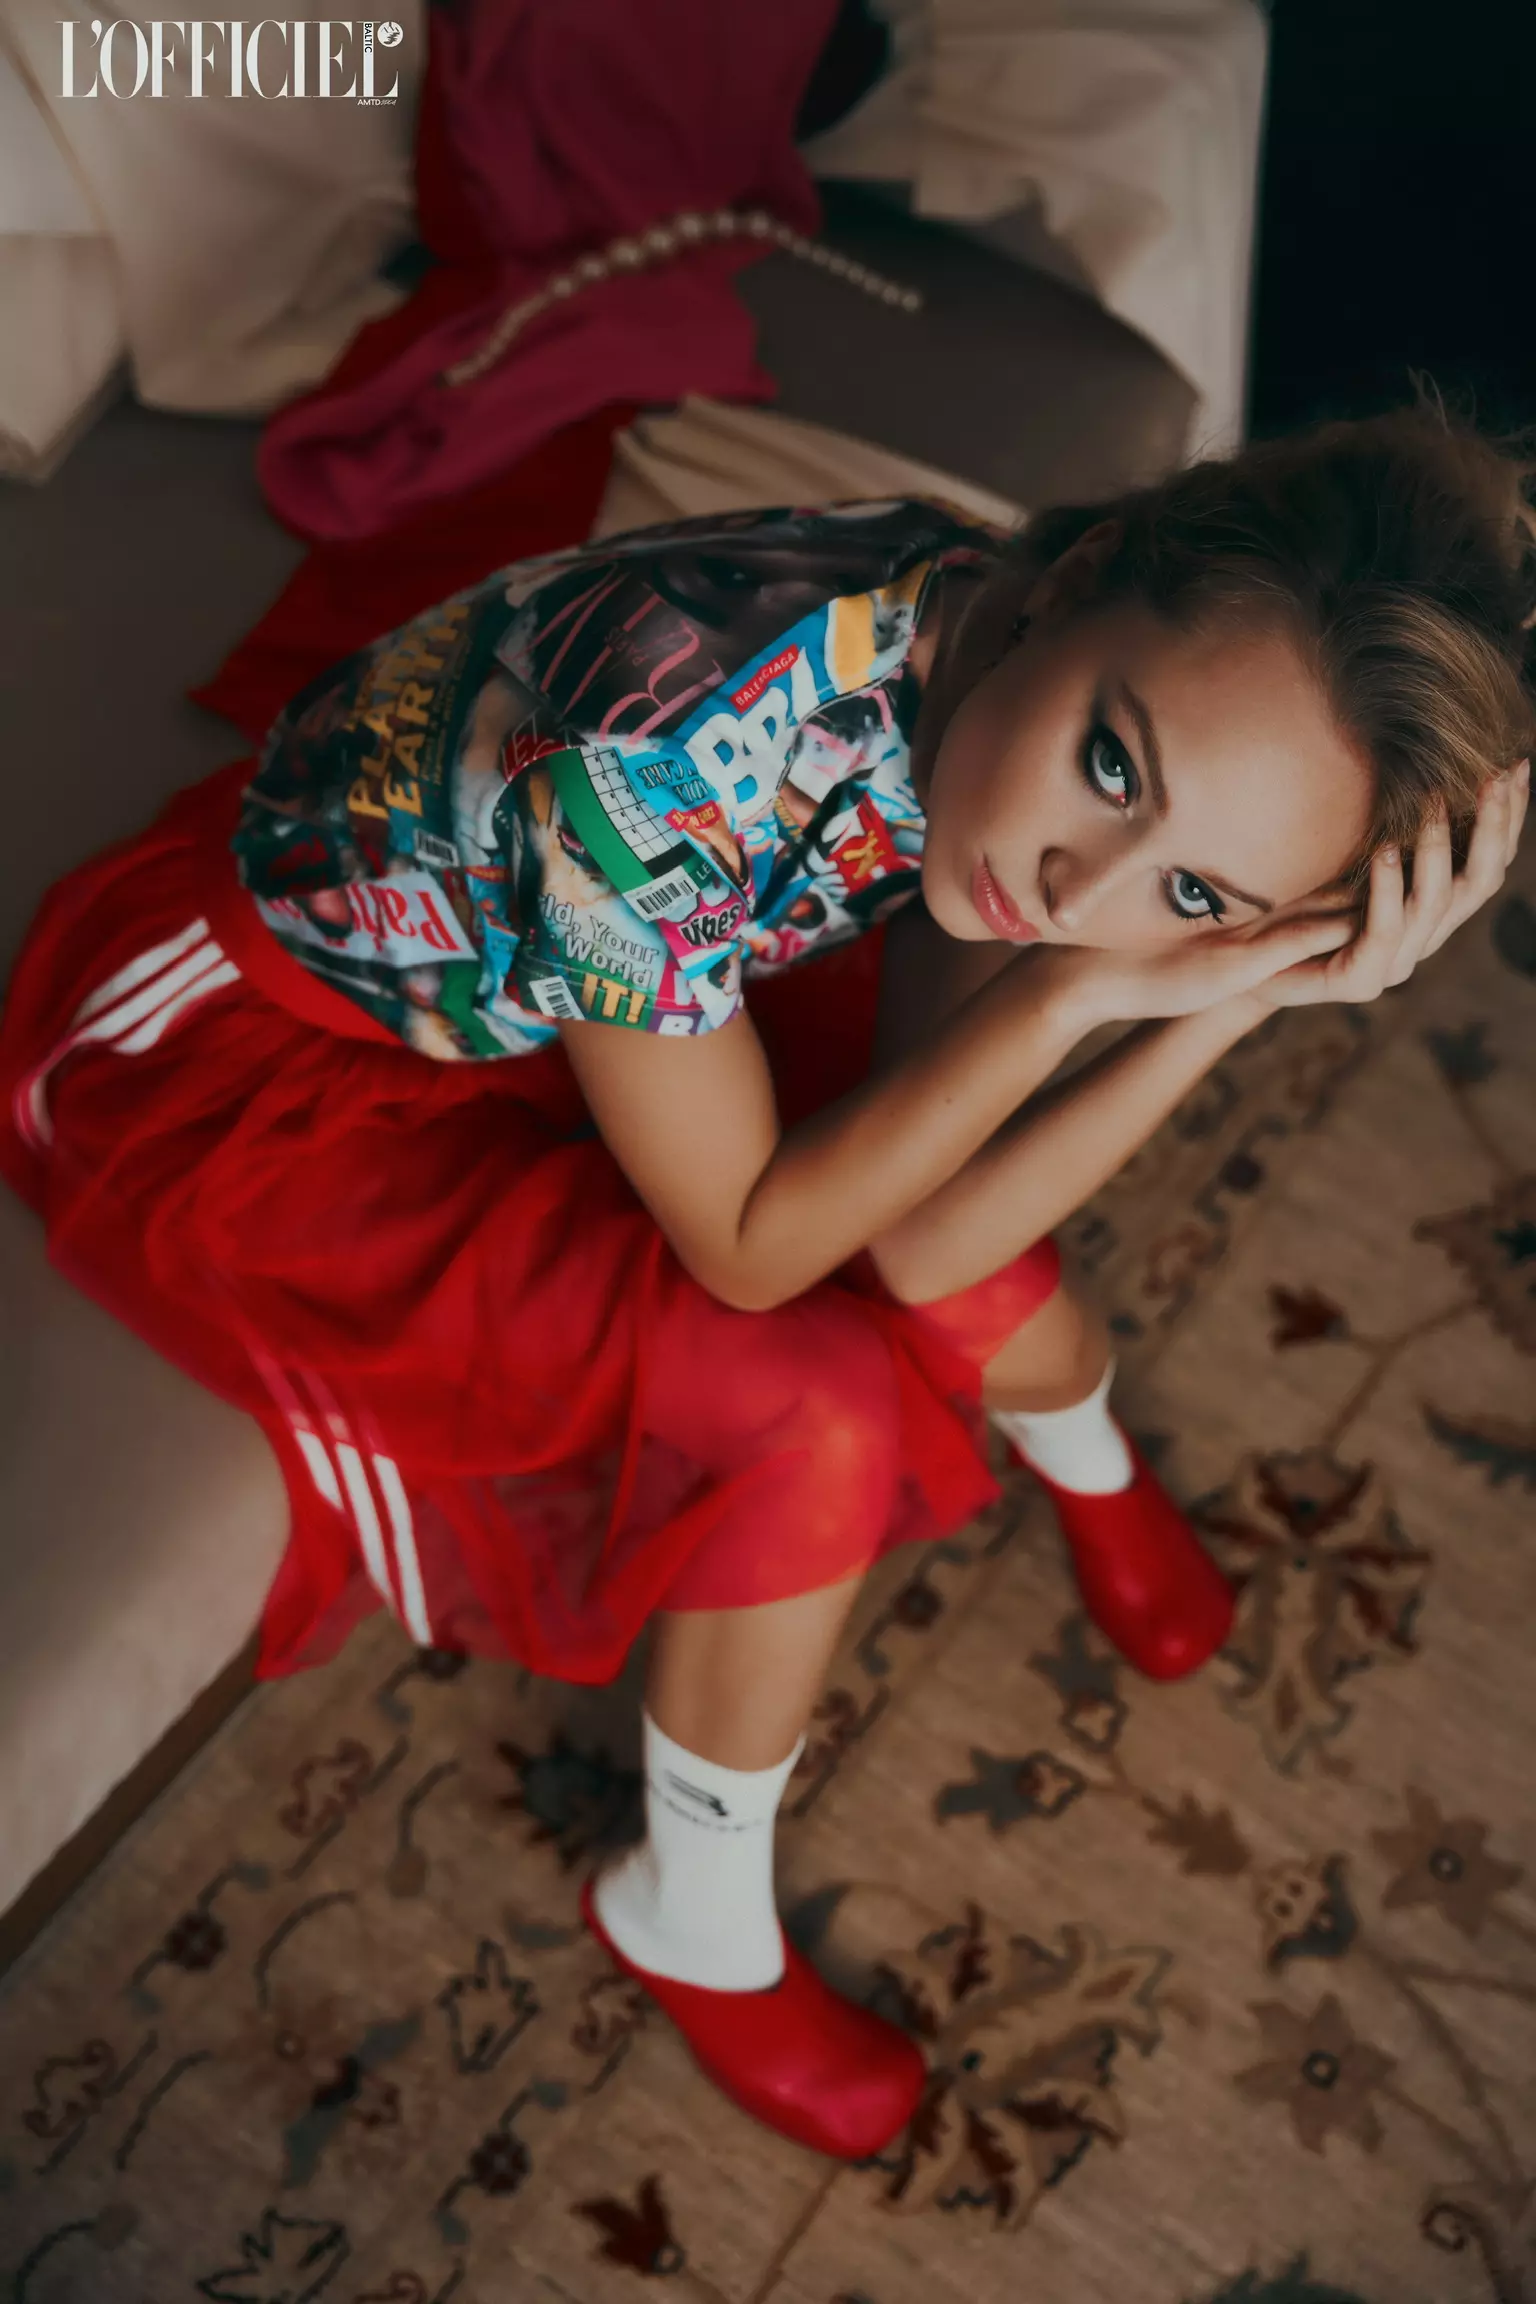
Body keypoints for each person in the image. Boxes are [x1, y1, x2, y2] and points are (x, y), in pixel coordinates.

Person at [3, 407, 1530, 2160]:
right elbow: (757, 1249)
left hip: (646, 963)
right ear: (1088, 578)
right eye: (1118, 766)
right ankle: (686, 1916)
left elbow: (924, 1235)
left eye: (1196, 887)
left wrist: (1242, 988)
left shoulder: (1006, 667)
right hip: (283, 1044)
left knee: (944, 1211)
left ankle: (1090, 1468)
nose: (1074, 887)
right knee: (813, 1407)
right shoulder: (643, 776)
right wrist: (1105, 990)